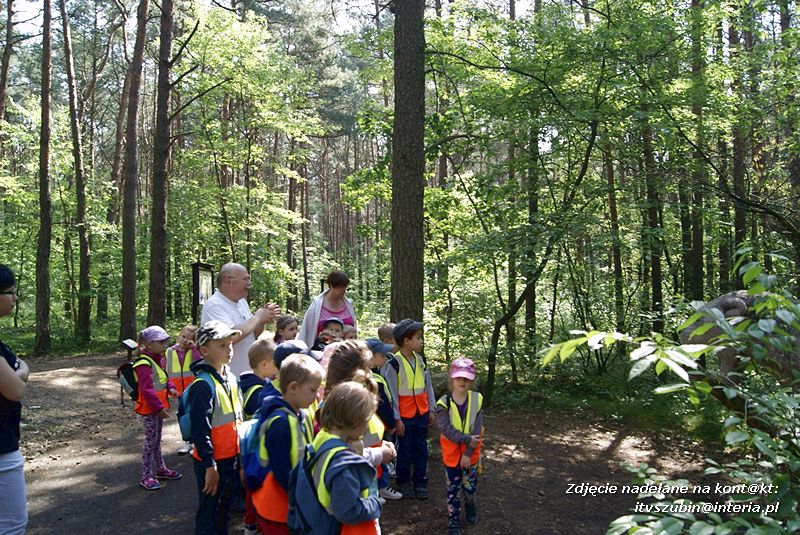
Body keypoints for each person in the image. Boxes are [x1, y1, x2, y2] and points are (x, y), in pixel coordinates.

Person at [296, 382, 382, 533]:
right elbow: (348, 512)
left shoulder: (323, 437)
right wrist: (375, 503)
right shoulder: (343, 464)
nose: (367, 427)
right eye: (367, 421)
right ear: (356, 422)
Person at [251, 354, 323, 535]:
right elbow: (281, 470)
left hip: (290, 504)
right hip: (277, 508)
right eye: (313, 390)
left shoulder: (301, 415)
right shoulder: (280, 424)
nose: (317, 396)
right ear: (293, 388)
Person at [188, 320, 245, 535]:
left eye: (230, 344)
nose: (229, 349)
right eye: (221, 345)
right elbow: (200, 431)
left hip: (231, 457)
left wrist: (241, 458)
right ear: (204, 351)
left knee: (224, 509)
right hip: (211, 462)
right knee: (209, 511)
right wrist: (209, 466)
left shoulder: (231, 378)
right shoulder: (203, 385)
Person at [383, 319, 435, 500]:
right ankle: (404, 481)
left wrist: (431, 409)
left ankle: (420, 482)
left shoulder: (421, 360)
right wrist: (396, 419)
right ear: (406, 340)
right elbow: (391, 395)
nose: (421, 341)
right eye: (418, 338)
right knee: (404, 450)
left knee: (421, 449)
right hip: (404, 417)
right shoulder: (393, 364)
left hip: (421, 413)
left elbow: (428, 386)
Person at [201, 263, 280, 377]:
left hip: (245, 374)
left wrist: (262, 321)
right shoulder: (214, 305)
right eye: (245, 279)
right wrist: (257, 317)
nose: (249, 284)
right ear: (228, 281)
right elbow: (228, 337)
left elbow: (253, 335)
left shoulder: (242, 302)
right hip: (226, 375)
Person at [435, 358, 484, 535]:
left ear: (472, 380)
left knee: (469, 488)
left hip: (471, 455)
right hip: (451, 457)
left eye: (466, 378)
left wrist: (468, 453)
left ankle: (470, 506)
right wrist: (466, 439)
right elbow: (446, 429)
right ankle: (453, 520)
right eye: (459, 378)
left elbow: (478, 430)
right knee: (452, 490)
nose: (462, 381)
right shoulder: (443, 403)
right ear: (452, 379)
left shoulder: (477, 400)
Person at [134, 326, 182, 490]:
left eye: (166, 342)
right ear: (149, 344)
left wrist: (171, 388)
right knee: (150, 442)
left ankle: (161, 469)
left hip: (158, 409)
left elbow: (163, 378)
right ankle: (146, 476)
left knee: (156, 440)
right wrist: (159, 409)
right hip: (150, 410)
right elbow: (147, 390)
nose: (165, 345)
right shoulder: (143, 363)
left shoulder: (158, 359)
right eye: (161, 342)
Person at [0, 266, 29, 534]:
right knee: (12, 526)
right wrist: (21, 370)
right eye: (10, 292)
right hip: (2, 450)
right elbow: (15, 390)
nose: (15, 298)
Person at [366, 338, 402, 502]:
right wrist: (391, 423)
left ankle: (380, 486)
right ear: (371, 356)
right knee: (376, 457)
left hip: (378, 426)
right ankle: (378, 488)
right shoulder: (369, 379)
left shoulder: (375, 375)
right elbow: (382, 406)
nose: (385, 357)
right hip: (374, 427)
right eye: (382, 355)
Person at [166, 324, 202, 455]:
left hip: (193, 388)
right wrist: (169, 386)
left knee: (196, 414)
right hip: (178, 390)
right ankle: (187, 441)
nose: (185, 340)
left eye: (189, 338)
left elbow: (199, 362)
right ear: (179, 336)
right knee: (183, 415)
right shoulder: (170, 351)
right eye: (183, 336)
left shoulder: (195, 351)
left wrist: (194, 348)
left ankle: (198, 442)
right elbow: (166, 370)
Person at [298, 270, 356, 347]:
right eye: (340, 287)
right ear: (331, 285)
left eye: (345, 287)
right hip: (321, 350)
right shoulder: (316, 306)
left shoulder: (348, 304)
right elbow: (307, 332)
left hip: (347, 350)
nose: (344, 290)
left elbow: (353, 330)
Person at [239, 338, 279, 420]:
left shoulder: (247, 382)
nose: (277, 368)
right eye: (275, 364)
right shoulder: (257, 392)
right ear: (264, 365)